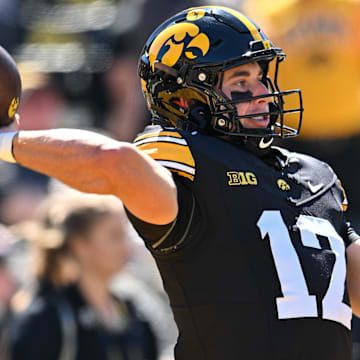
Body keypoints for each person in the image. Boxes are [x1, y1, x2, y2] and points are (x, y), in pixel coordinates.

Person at [0, 5, 359, 359]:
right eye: (241, 82)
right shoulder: (189, 161)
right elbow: (112, 162)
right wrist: (7, 143)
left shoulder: (315, 175)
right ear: (188, 100)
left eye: (261, 77)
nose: (262, 92)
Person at [7, 193, 158, 360]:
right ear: (80, 245)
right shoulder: (48, 318)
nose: (126, 246)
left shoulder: (132, 310)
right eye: (115, 236)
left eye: (125, 235)